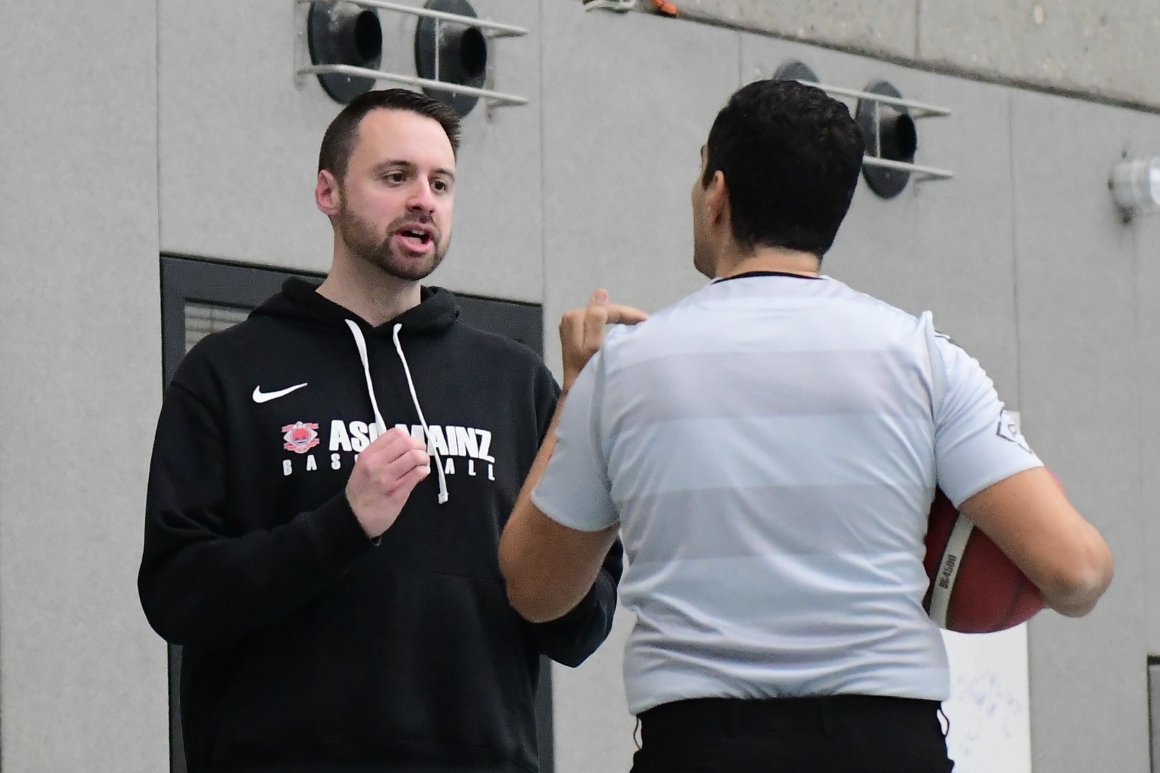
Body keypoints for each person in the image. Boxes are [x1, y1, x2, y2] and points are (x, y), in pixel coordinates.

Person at [498, 79, 1114, 772]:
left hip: (702, 747)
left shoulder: (624, 371)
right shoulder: (924, 360)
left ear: (717, 194)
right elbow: (1077, 571)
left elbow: (537, 590)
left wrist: (575, 389)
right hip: (887, 745)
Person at [138, 88, 622, 773]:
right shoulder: (227, 370)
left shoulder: (513, 381)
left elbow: (577, 625)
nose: (423, 199)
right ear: (327, 192)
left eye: (441, 183)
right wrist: (340, 525)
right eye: (395, 177)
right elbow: (176, 595)